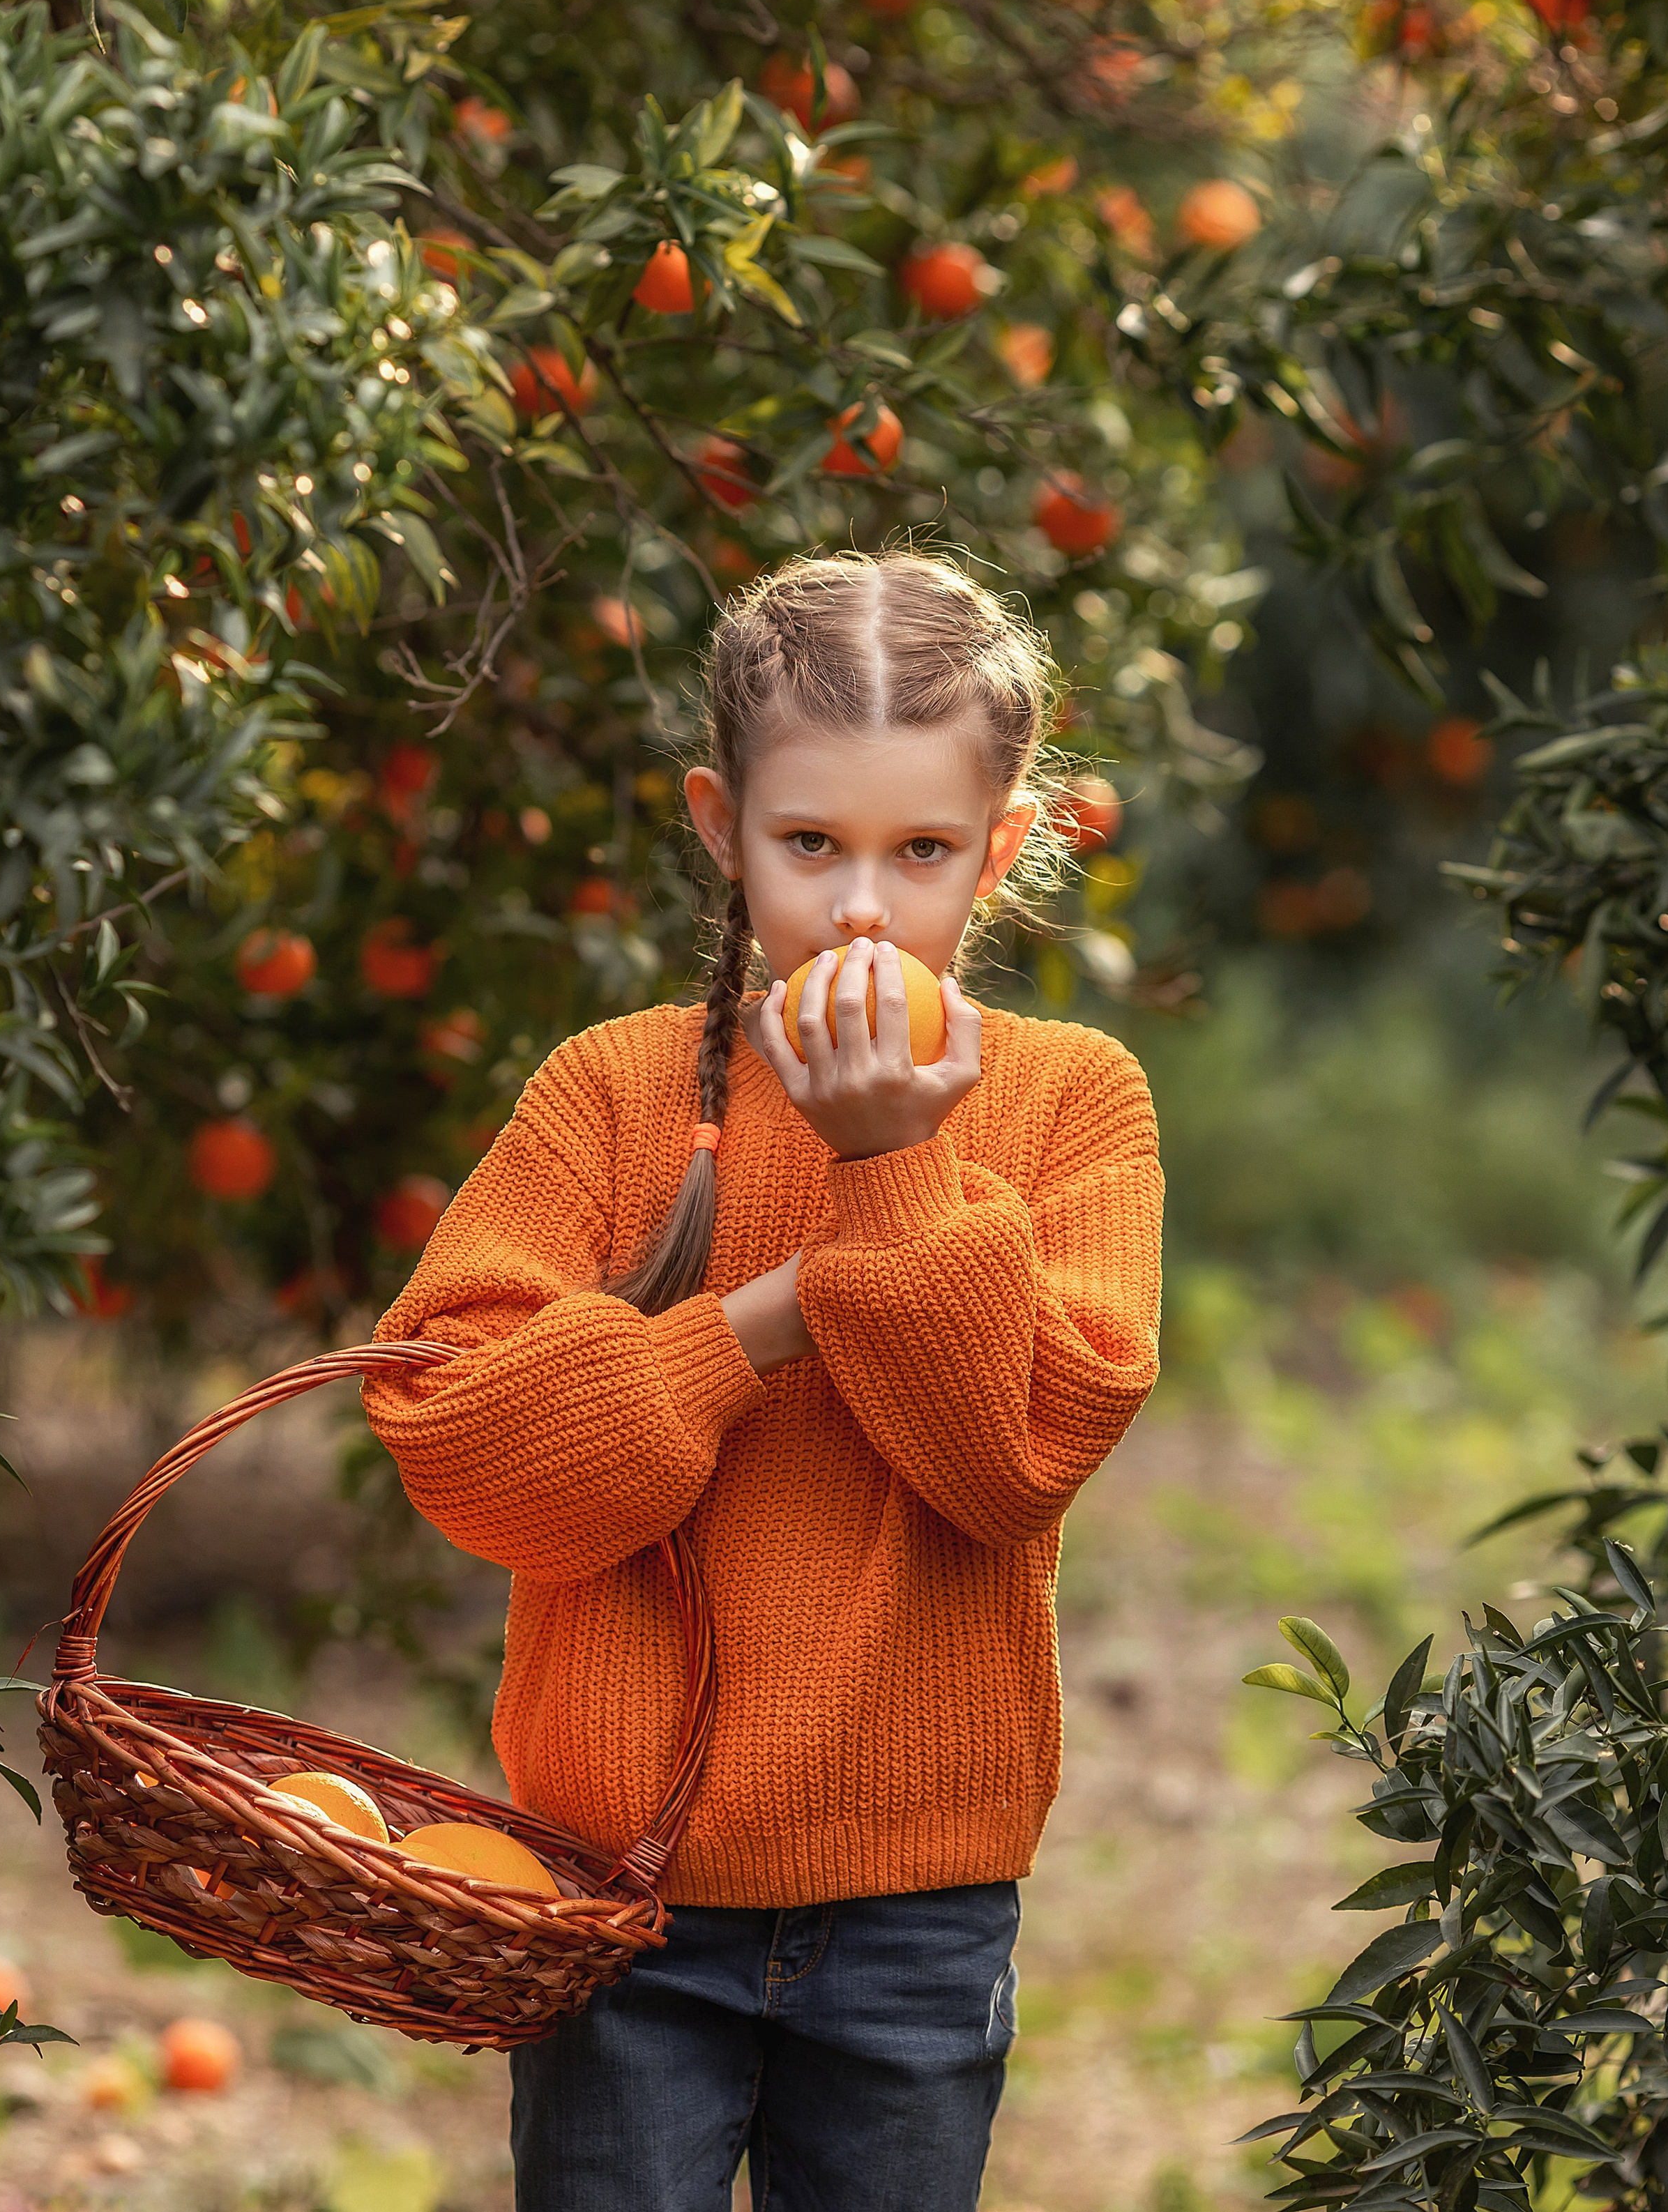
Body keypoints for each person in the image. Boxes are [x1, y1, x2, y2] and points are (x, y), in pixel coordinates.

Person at [363, 549, 1164, 2211]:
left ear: (1000, 849)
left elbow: (1010, 1457)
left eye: (920, 851)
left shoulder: (1072, 1102)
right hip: (616, 1890)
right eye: (809, 843)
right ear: (720, 824)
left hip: (916, 1903)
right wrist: (766, 1317)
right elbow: (462, 1451)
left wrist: (889, 1168)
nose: (860, 905)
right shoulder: (610, 1091)